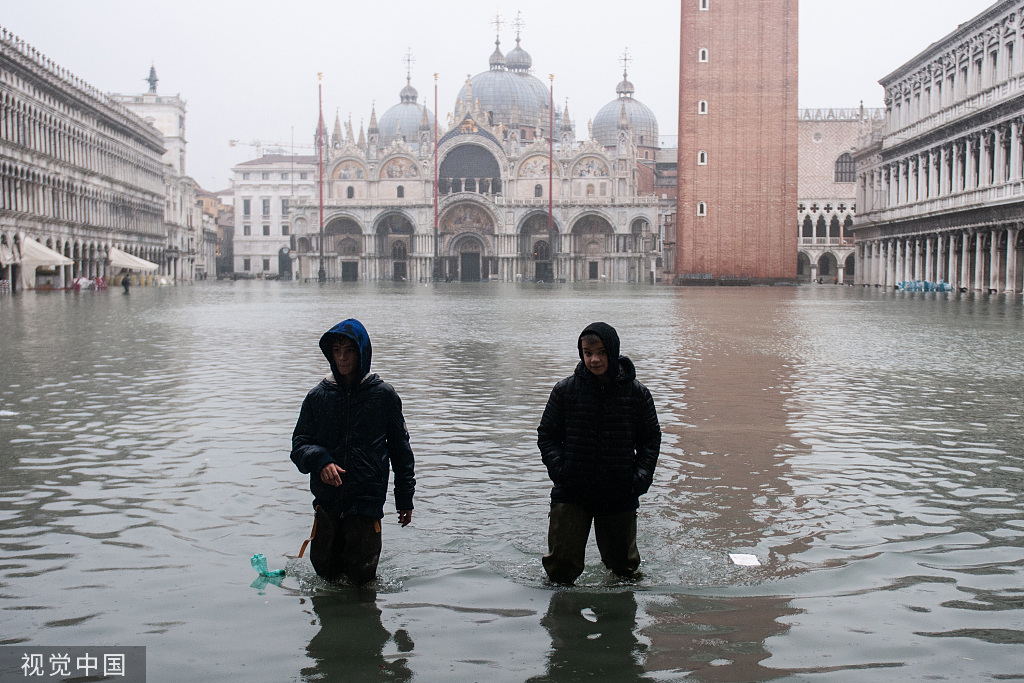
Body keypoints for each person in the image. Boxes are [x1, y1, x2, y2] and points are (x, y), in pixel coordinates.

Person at [291, 318, 415, 585]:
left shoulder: (383, 396)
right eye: (337, 351)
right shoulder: (317, 397)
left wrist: (404, 499)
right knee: (325, 574)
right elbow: (299, 444)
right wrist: (321, 461)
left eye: (349, 351)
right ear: (330, 354)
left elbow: (401, 452)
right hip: (327, 503)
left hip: (366, 503)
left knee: (362, 579)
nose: (343, 358)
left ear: (361, 353)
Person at [537, 322, 660, 584]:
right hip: (571, 491)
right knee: (560, 570)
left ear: (613, 352)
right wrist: (561, 472)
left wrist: (639, 479)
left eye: (601, 352)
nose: (594, 359)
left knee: (623, 570)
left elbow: (650, 441)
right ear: (581, 353)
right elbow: (547, 436)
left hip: (619, 492)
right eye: (587, 352)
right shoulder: (564, 391)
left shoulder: (637, 394)